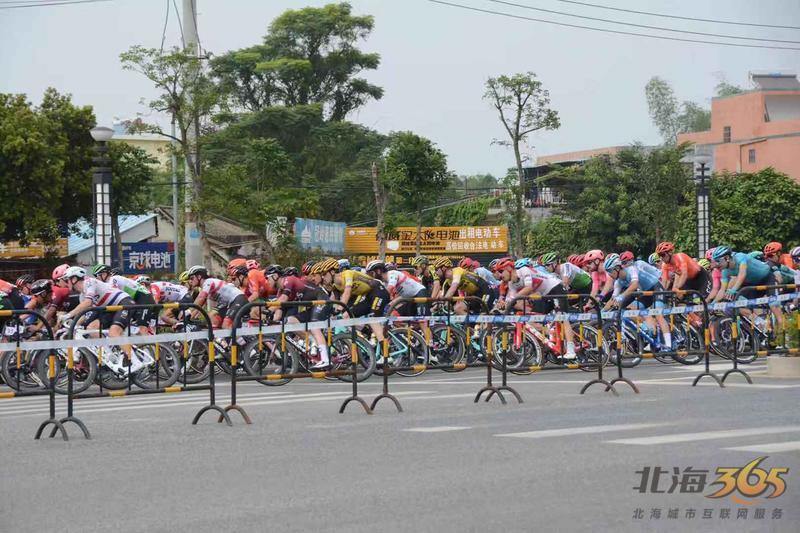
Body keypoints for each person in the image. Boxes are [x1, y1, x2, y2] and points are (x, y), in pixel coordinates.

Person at [603, 253, 673, 352]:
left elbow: (634, 285)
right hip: (645, 293)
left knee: (658, 314)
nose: (609, 274)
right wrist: (602, 311)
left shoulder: (631, 269)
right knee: (630, 309)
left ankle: (668, 345)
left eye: (610, 271)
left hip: (656, 288)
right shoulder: (618, 282)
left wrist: (622, 296)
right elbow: (613, 299)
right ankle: (648, 328)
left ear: (617, 268)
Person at [93, 265, 157, 330]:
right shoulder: (109, 282)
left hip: (144, 298)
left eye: (97, 276)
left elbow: (112, 296)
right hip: (135, 300)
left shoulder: (113, 279)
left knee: (142, 328)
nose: (96, 278)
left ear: (104, 274)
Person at [186, 265, 247, 329]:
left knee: (226, 325)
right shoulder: (204, 288)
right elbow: (198, 307)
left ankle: (238, 339)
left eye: (192, 278)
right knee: (211, 317)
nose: (190, 281)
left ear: (199, 276)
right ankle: (219, 338)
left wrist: (188, 312)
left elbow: (200, 298)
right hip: (228, 303)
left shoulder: (208, 282)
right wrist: (188, 318)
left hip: (238, 298)